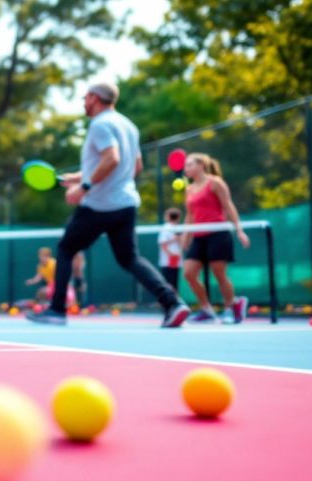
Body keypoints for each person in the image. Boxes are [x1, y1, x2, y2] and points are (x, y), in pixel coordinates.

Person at [27, 83, 190, 327]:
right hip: (125, 203)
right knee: (130, 259)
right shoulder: (129, 126)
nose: (83, 102)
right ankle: (173, 304)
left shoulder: (100, 124)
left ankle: (57, 310)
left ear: (94, 98)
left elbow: (111, 158)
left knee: (66, 249)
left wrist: (85, 187)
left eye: (85, 97)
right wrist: (80, 177)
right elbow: (135, 166)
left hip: (99, 205)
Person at [181, 153, 250, 324]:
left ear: (201, 165)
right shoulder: (188, 188)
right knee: (189, 273)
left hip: (218, 233)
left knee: (218, 273)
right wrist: (186, 235)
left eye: (190, 164)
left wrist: (239, 230)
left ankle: (230, 307)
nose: (186, 168)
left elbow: (228, 205)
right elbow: (190, 215)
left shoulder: (215, 183)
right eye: (186, 165)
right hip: (198, 235)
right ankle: (206, 309)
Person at [158, 208, 183, 293]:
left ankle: (174, 300)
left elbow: (183, 243)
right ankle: (168, 300)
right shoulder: (166, 227)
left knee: (174, 281)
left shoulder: (179, 228)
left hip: (176, 258)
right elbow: (162, 243)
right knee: (167, 281)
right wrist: (170, 254)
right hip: (168, 259)